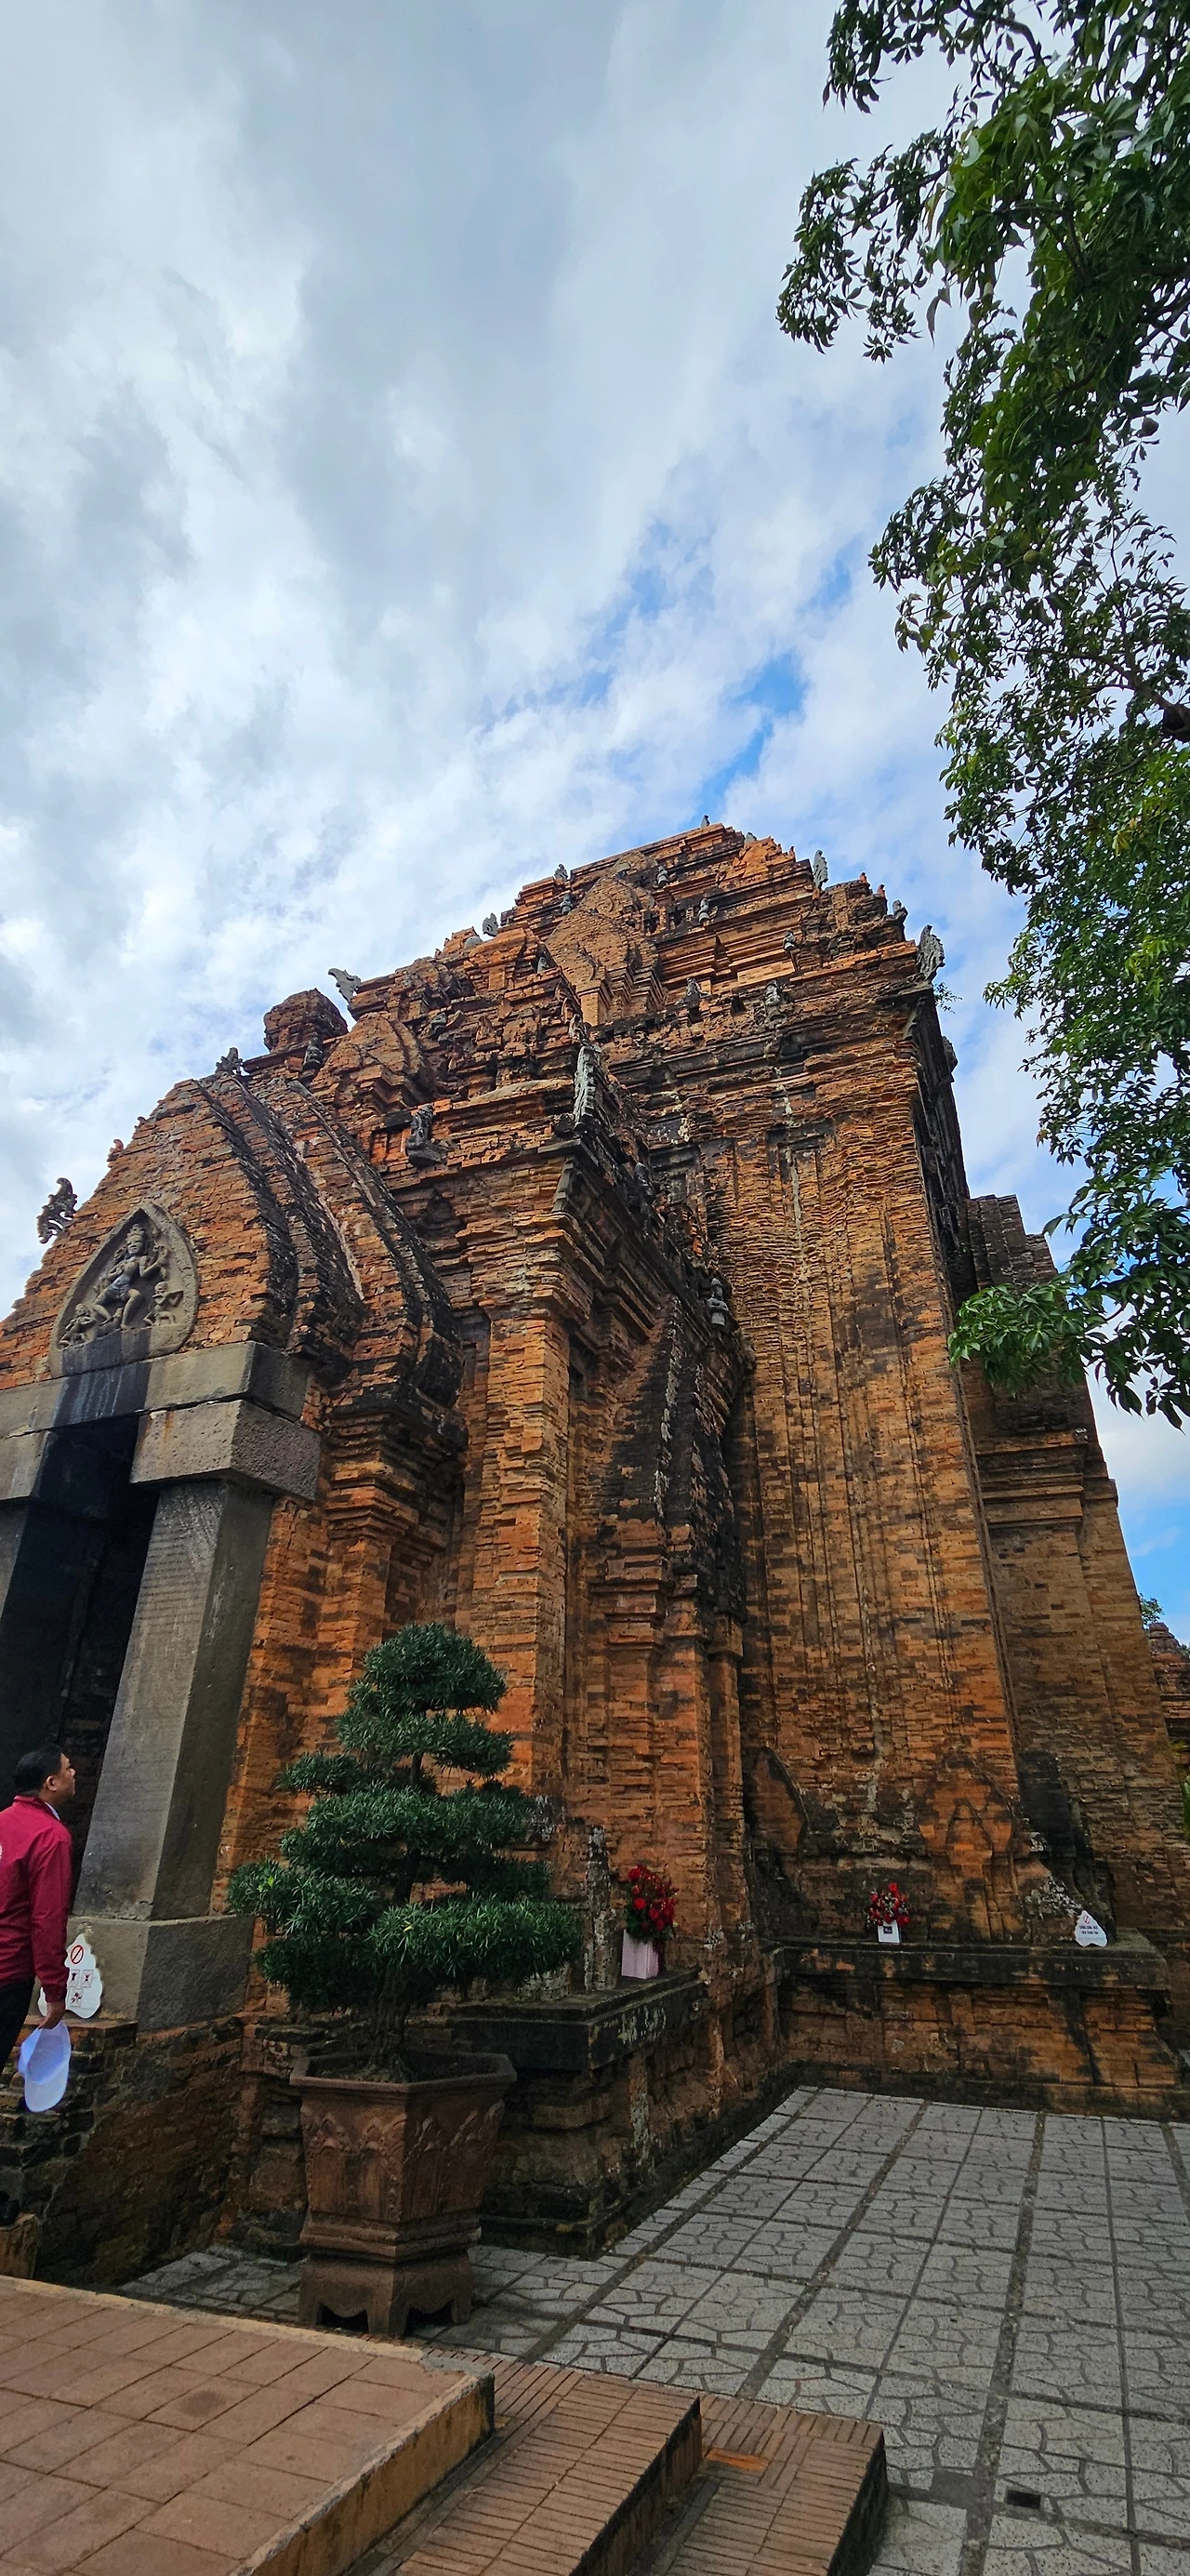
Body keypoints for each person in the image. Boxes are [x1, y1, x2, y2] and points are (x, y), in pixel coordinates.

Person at [0, 1745, 75, 2073]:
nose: (73, 1773)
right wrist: (54, 1989)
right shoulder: (50, 1836)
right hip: (8, 1972)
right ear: (51, 1782)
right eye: (67, 1768)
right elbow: (47, 1918)